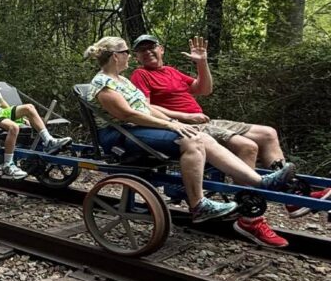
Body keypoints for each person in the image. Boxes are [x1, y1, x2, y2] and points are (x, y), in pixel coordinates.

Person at [84, 36, 294, 246]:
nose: (129, 56)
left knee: (199, 136)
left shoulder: (122, 80)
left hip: (137, 128)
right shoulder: (103, 83)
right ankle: (198, 205)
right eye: (126, 52)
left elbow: (146, 108)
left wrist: (173, 120)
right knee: (191, 141)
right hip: (121, 135)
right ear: (115, 56)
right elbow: (127, 115)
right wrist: (170, 125)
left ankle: (260, 182)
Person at [130, 34, 329, 218]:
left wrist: (202, 63)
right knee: (247, 146)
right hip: (185, 124)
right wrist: (185, 117)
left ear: (161, 49)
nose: (148, 52)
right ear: (137, 57)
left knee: (268, 133)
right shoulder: (141, 75)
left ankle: (291, 196)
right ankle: (246, 212)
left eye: (151, 47)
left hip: (205, 120)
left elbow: (204, 89)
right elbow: (145, 107)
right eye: (142, 50)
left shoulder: (171, 72)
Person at [0, 47, 72, 179]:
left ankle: (49, 141)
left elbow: (1, 100)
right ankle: (8, 164)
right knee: (13, 128)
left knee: (29, 108)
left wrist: (16, 114)